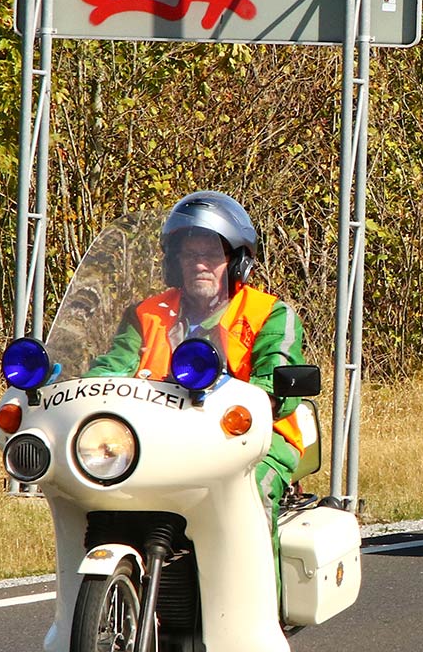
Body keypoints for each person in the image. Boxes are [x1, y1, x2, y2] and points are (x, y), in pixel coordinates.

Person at [87, 191, 307, 531]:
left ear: (236, 262)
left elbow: (279, 381)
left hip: (254, 438)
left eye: (211, 254)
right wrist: (83, 388)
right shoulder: (147, 314)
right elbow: (113, 366)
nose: (199, 264)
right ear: (174, 263)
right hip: (158, 432)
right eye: (189, 255)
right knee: (99, 489)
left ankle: (257, 586)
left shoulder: (269, 314)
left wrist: (261, 396)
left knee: (252, 495)